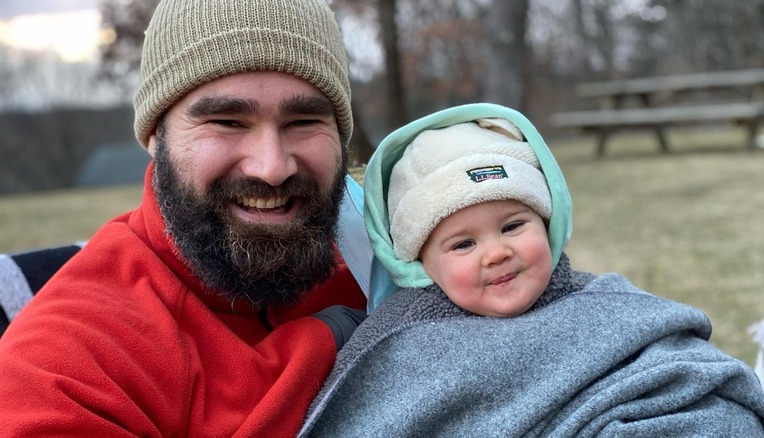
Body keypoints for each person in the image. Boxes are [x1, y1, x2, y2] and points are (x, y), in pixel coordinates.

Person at [0, 0, 382, 436]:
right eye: (227, 121)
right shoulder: (67, 367)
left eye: (304, 121)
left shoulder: (411, 258)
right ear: (156, 136)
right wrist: (328, 341)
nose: (272, 166)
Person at [299, 103, 764, 437]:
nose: (496, 252)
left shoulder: (604, 302)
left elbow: (686, 371)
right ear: (420, 264)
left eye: (513, 225)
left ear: (548, 222)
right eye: (463, 243)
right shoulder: (399, 341)